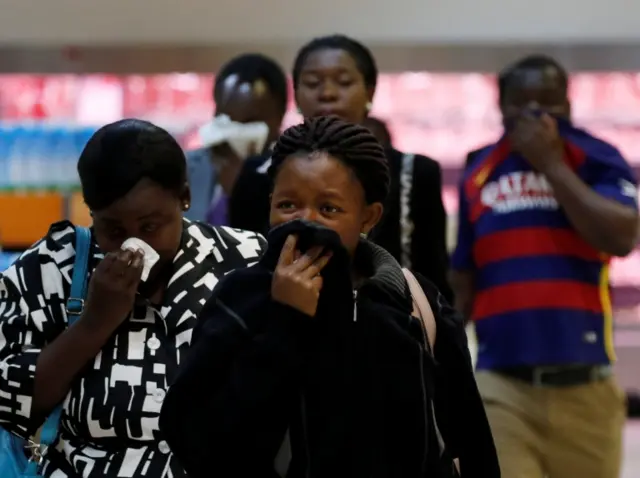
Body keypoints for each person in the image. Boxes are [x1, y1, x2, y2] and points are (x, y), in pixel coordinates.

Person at [159, 116, 500, 478]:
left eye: (329, 209)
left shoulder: (415, 302)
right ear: (270, 203)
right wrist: (285, 322)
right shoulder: (240, 296)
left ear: (369, 217)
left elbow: (470, 438)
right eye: (288, 205)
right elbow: (199, 443)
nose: (306, 221)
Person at [0, 119, 266, 477]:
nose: (134, 245)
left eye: (150, 226)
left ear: (184, 197)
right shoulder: (51, 267)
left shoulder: (242, 260)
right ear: (90, 211)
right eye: (113, 230)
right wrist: (94, 323)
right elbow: (11, 406)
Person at [450, 54, 638, 478]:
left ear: (568, 105)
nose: (535, 113)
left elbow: (623, 236)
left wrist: (551, 163)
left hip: (586, 388)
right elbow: (463, 277)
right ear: (502, 107)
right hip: (502, 387)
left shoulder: (596, 157)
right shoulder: (478, 168)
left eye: (549, 102)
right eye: (522, 102)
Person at [231, 35, 453, 301]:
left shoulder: (415, 171)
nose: (328, 93)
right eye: (313, 83)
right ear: (297, 94)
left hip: (394, 320)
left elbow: (434, 275)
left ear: (369, 92)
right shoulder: (258, 172)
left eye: (344, 82)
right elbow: (245, 267)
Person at [185, 53, 288, 227]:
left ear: (279, 117)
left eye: (249, 122)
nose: (234, 132)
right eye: (226, 119)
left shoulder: (291, 171)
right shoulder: (184, 169)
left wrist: (243, 188)